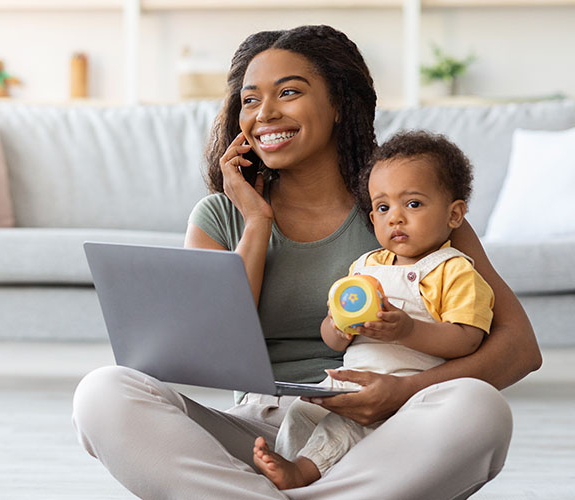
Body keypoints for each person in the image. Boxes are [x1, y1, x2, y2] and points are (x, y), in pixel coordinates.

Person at [71, 25, 541, 500]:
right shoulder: (219, 215)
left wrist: (403, 392)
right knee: (103, 393)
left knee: (480, 407)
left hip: (387, 430)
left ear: (339, 104)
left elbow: (520, 348)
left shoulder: (409, 210)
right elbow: (206, 349)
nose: (265, 114)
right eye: (250, 101)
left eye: (289, 92)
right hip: (260, 431)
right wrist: (256, 223)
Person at [252, 130, 495, 490]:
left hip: (406, 392)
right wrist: (337, 327)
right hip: (349, 380)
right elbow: (333, 338)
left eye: (412, 204)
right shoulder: (365, 266)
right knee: (302, 413)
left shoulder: (455, 270)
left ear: (455, 214)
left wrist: (408, 331)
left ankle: (302, 475)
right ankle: (289, 475)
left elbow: (467, 339)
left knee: (346, 428)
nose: (395, 218)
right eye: (383, 207)